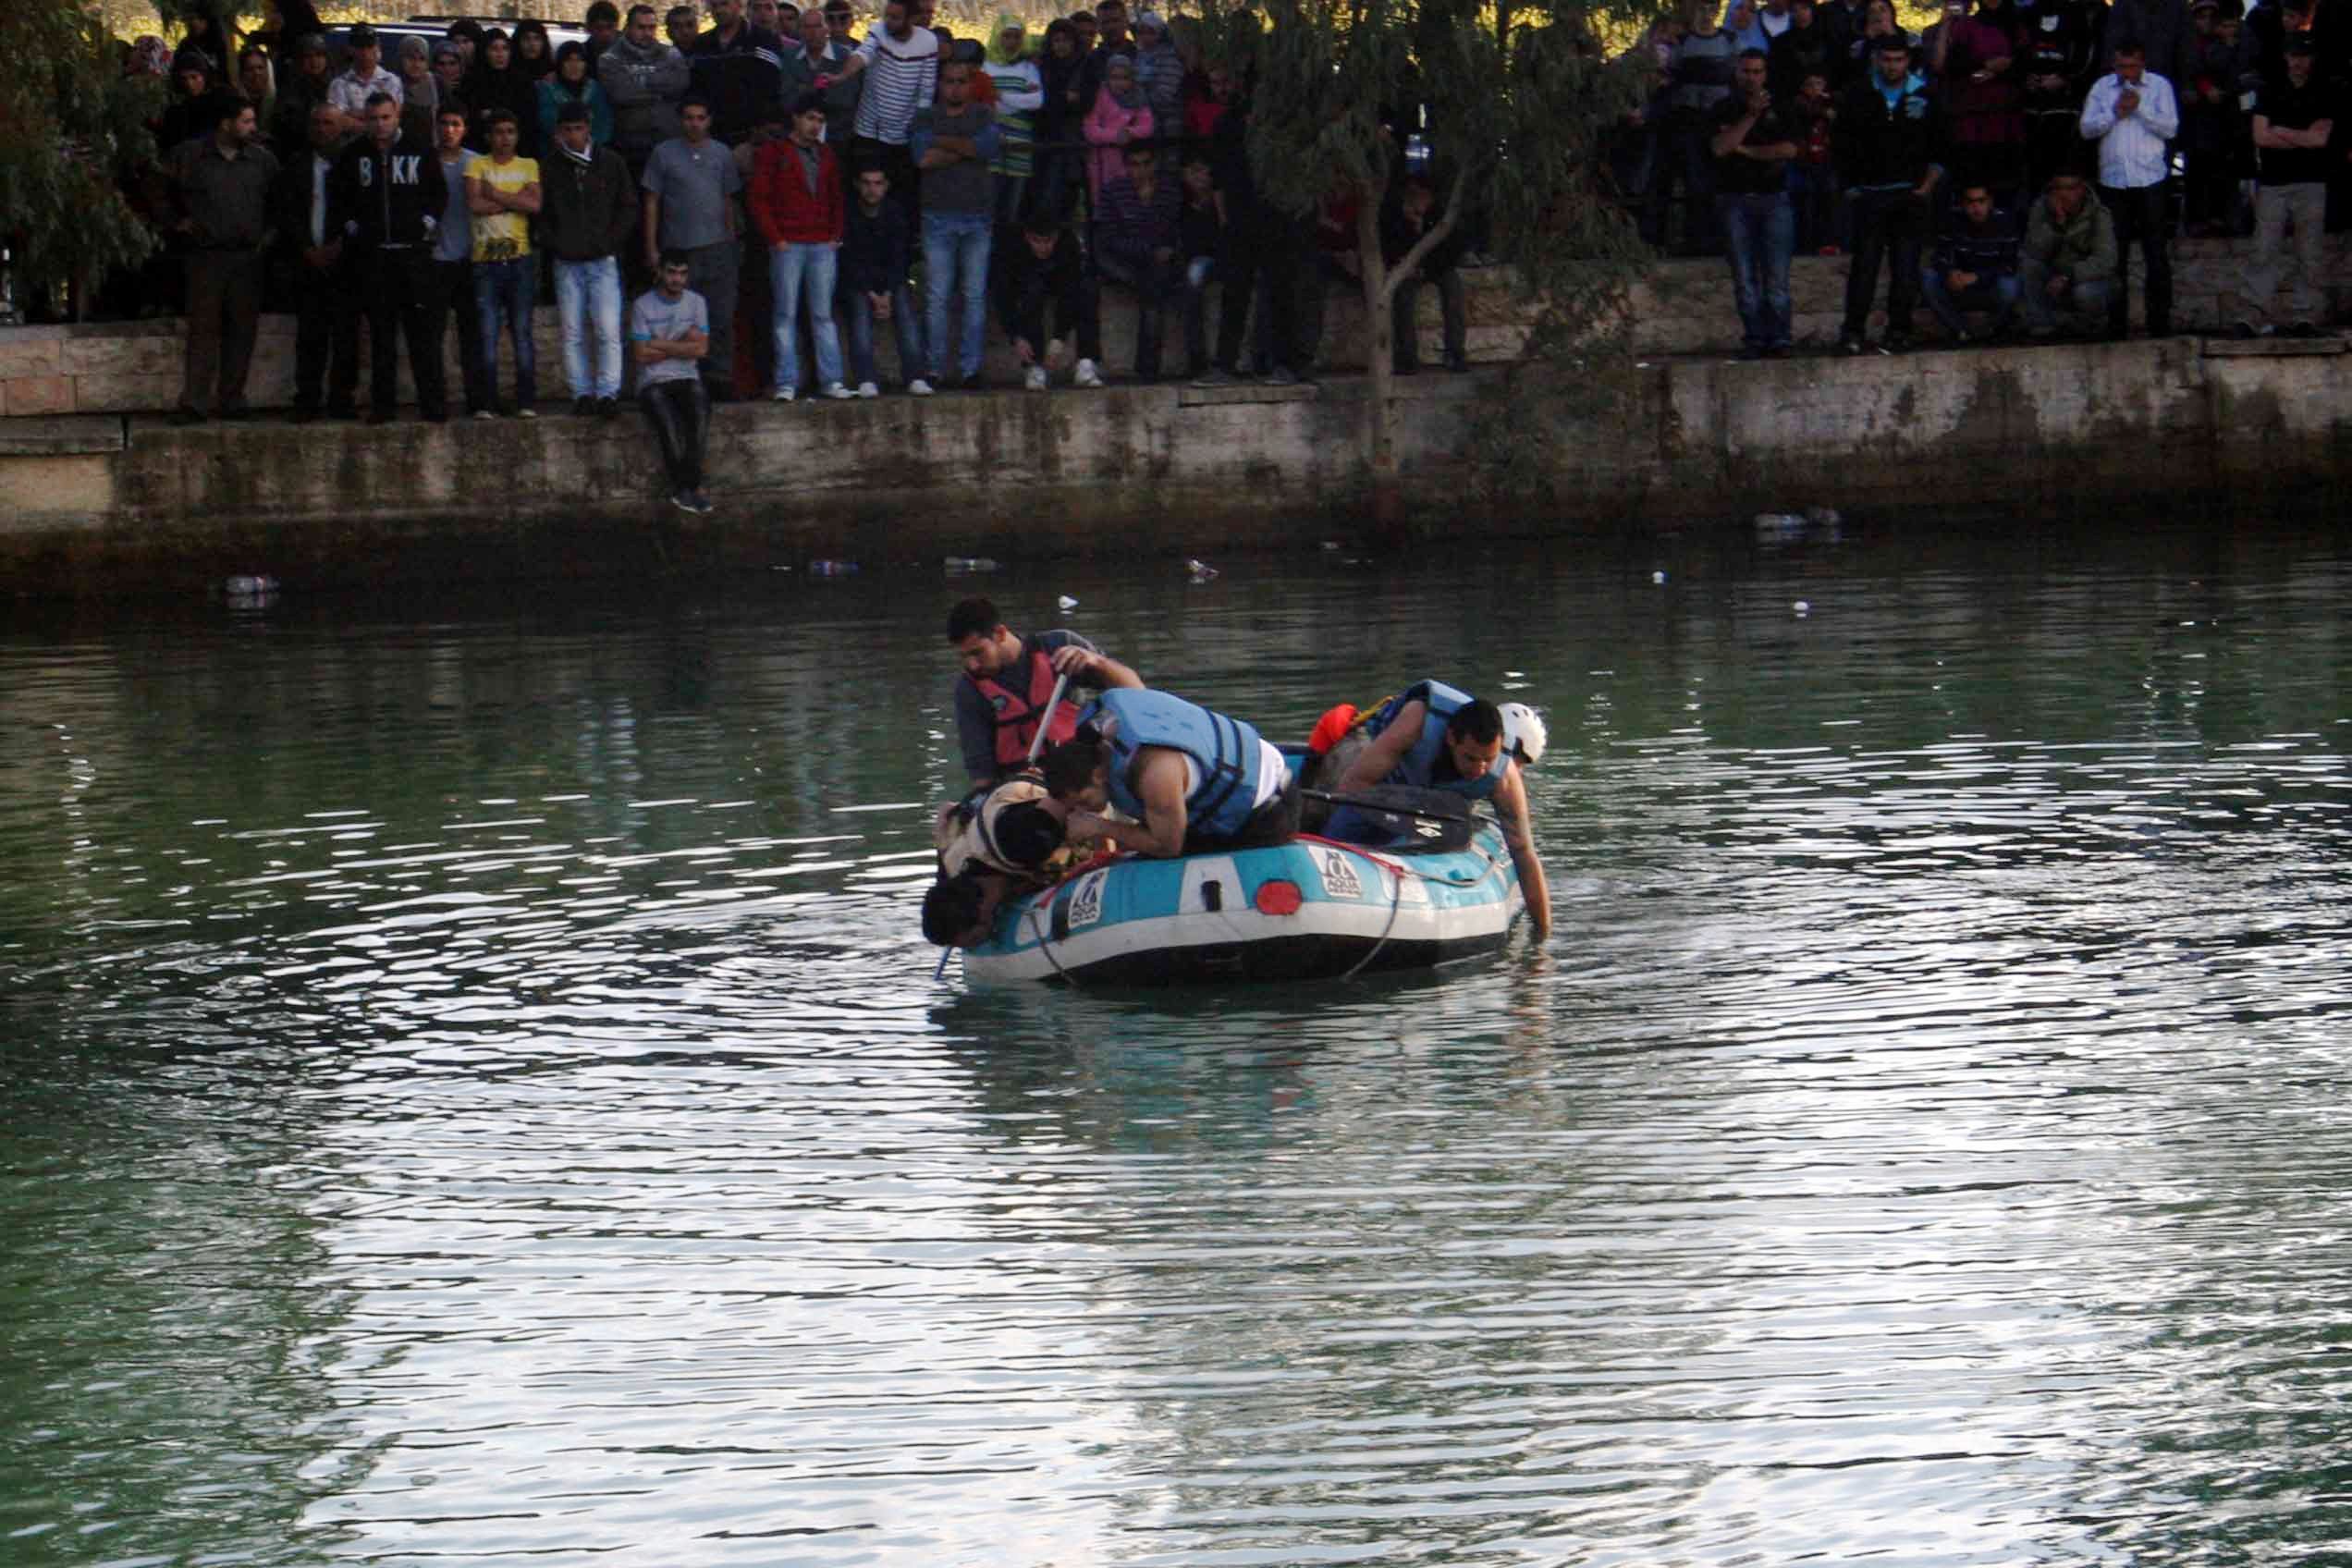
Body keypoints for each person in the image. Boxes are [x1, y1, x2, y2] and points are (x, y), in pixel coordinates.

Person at [1312, 681, 1552, 938]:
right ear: (1451, 739)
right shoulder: (1417, 721)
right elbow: (1354, 786)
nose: (1479, 770)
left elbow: (1523, 852)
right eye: (1470, 758)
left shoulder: (1504, 776)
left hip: (1420, 798)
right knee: (1347, 804)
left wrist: (1542, 937)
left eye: (1488, 760)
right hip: (1374, 767)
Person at [1041, 688, 1300, 858]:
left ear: (1098, 775)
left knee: (1154, 862)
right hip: (1240, 769)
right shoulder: (1099, 727)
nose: (1088, 809)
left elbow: (1168, 847)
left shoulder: (1154, 773)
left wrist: (1099, 827)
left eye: (1085, 801)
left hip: (1264, 807)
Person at [332, 92, 449, 423]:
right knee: (381, 336)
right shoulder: (354, 155)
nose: (380, 125)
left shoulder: (420, 150)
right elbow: (341, 197)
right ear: (365, 120)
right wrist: (354, 228)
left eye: (385, 117)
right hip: (374, 259)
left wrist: (426, 224)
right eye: (373, 118)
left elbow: (438, 193)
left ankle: (433, 405)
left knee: (422, 336)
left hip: (413, 257)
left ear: (396, 115)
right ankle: (383, 407)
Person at [165, 99, 279, 426]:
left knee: (242, 330)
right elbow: (156, 187)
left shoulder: (262, 161)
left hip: (247, 257)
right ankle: (195, 402)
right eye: (245, 121)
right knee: (202, 329)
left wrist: (267, 238)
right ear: (225, 124)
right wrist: (176, 221)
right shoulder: (190, 156)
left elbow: (280, 202)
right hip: (205, 256)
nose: (252, 128)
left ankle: (233, 398)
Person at [947, 596, 1141, 785]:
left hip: (1084, 781)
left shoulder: (1060, 645)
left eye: (977, 652)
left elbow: (1137, 692)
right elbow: (982, 777)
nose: (972, 665)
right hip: (1022, 792)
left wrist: (1098, 662)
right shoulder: (969, 691)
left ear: (1000, 633)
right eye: (964, 657)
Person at [1833, 33, 1940, 354]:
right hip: (1869, 195)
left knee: (1906, 269)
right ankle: (1852, 332)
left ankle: (1899, 331)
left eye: (1898, 59)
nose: (1892, 66)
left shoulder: (1925, 93)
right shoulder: (1857, 94)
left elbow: (1940, 142)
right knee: (1863, 269)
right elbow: (1841, 143)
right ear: (1876, 60)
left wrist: (1926, 186)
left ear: (1908, 61)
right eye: (1886, 59)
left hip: (1910, 196)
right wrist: (1851, 186)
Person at [752, 91, 853, 401]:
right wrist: (776, 237)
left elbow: (837, 196)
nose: (814, 125)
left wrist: (836, 234)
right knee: (786, 314)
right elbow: (759, 198)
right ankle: (786, 382)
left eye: (820, 120)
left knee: (822, 315)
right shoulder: (775, 151)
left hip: (821, 243)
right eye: (810, 118)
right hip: (788, 244)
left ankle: (831, 380)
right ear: (796, 118)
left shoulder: (826, 154)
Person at [643, 93, 745, 400]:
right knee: (679, 321)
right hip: (679, 251)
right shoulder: (663, 153)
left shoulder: (722, 154)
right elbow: (651, 202)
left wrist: (731, 242)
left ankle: (720, 379)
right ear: (680, 120)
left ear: (710, 121)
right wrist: (651, 248)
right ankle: (682, 382)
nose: (695, 124)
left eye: (701, 118)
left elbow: (728, 200)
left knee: (720, 317)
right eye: (689, 117)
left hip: (718, 248)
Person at [542, 99, 639, 415]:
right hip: (567, 260)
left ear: (589, 129)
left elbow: (628, 206)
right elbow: (542, 214)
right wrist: (556, 243)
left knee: (608, 330)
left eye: (578, 129)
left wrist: (610, 242)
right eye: (567, 130)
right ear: (559, 131)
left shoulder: (611, 162)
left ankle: (608, 393)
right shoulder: (550, 166)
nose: (573, 136)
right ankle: (581, 393)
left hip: (602, 259)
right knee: (572, 332)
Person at [2079, 38, 2179, 337]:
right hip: (2113, 182)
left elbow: (2170, 128)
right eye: (2122, 66)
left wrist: (2140, 110)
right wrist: (2115, 113)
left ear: (2142, 63)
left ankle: (2159, 323)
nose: (2127, 72)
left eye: (2133, 66)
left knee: (2156, 254)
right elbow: (2086, 129)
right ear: (2115, 65)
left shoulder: (2160, 86)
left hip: (2151, 180)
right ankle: (2116, 324)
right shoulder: (2101, 88)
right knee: (2115, 256)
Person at [2235, 36, 2334, 337]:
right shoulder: (2269, 90)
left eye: (2304, 56)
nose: (2299, 62)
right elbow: (2260, 137)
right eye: (2294, 55)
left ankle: (2306, 317)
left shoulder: (2323, 91)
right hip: (2274, 183)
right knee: (2263, 250)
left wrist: (2282, 131)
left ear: (2312, 59)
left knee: (2309, 252)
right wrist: (2300, 137)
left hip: (2312, 182)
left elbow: (2320, 140)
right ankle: (2252, 315)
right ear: (2286, 57)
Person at [911, 58, 1000, 391]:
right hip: (937, 215)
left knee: (974, 296)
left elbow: (988, 146)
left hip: (977, 215)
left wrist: (943, 142)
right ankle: (933, 368)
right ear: (939, 84)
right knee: (937, 296)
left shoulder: (982, 114)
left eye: (961, 81)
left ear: (970, 84)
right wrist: (967, 150)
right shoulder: (925, 116)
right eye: (949, 81)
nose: (955, 87)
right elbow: (922, 158)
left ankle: (970, 369)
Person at [1709, 46, 1798, 359]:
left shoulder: (1783, 108)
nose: (1752, 78)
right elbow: (1721, 148)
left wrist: (1746, 151)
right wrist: (1750, 117)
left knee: (1776, 279)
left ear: (1766, 74)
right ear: (1737, 73)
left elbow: (1788, 150)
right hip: (1734, 200)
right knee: (1745, 279)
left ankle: (1781, 337)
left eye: (1757, 72)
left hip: (1774, 200)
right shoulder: (1723, 108)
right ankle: (1755, 338)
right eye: (1746, 71)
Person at [273, 99, 359, 422]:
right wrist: (306, 248)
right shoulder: (296, 165)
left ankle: (342, 399)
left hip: (345, 265)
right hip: (307, 263)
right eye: (318, 123)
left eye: (329, 124)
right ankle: (307, 399)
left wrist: (341, 244)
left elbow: (360, 210)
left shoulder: (353, 165)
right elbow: (287, 213)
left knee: (346, 336)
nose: (322, 130)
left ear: (341, 128)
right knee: (310, 336)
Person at [921, 771, 1073, 948]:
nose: (976, 947)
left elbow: (1068, 794)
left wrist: (1102, 828)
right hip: (983, 810)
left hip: (1026, 806)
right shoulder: (950, 875)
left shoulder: (1022, 844)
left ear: (983, 911)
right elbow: (945, 810)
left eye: (976, 939)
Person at [466, 108, 543, 418]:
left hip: (519, 260)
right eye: (499, 132)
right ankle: (486, 402)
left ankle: (526, 401)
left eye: (510, 132)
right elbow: (474, 204)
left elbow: (534, 204)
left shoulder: (529, 165)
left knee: (522, 332)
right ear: (488, 136)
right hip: (485, 262)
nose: (505, 138)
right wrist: (514, 201)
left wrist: (495, 194)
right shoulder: (476, 164)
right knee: (487, 334)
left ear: (518, 136)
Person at [837, 0, 942, 209]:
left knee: (897, 198)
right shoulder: (878, 31)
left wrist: (918, 129)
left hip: (902, 137)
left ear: (911, 19)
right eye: (888, 16)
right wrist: (843, 74)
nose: (889, 22)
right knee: (860, 194)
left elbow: (926, 89)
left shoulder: (928, 42)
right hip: (868, 132)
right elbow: (862, 54)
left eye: (896, 17)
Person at [632, 250, 716, 512]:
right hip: (652, 382)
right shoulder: (642, 306)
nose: (677, 279)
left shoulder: (697, 303)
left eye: (682, 274)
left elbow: (702, 350)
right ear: (660, 273)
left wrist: (659, 343)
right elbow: (641, 355)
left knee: (699, 419)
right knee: (668, 426)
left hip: (686, 376)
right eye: (671, 272)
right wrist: (683, 343)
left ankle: (687, 488)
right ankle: (689, 488)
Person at [424, 103, 493, 421]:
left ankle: (478, 401)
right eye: (444, 124)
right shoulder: (424, 162)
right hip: (435, 261)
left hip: (470, 260)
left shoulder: (477, 163)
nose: (449, 130)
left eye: (455, 124)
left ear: (464, 129)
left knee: (472, 336)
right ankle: (435, 403)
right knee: (432, 337)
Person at [1095, 141, 1181, 381]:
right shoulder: (1113, 191)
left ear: (1155, 164)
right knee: (1151, 282)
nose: (1141, 170)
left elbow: (1169, 233)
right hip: (1121, 260)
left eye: (1146, 164)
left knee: (1154, 281)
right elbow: (1110, 240)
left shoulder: (1168, 192)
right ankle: (1148, 368)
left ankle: (1147, 368)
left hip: (1156, 262)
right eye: (1134, 165)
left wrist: (1149, 205)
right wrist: (1147, 250)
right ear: (1126, 166)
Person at [841, 161, 925, 395]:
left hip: (890, 280)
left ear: (886, 186)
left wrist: (886, 293)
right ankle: (866, 378)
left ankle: (915, 376)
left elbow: (899, 257)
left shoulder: (895, 212)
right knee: (859, 313)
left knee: (906, 312)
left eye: (878, 183)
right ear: (858, 185)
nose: (872, 189)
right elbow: (848, 260)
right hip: (859, 281)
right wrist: (872, 294)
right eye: (867, 183)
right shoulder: (848, 213)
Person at [997, 215, 1104, 390]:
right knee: (1032, 292)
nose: (1043, 247)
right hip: (1028, 285)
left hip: (1060, 281)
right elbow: (1003, 295)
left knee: (1088, 289)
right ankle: (1034, 366)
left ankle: (1086, 361)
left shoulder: (1068, 244)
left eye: (1048, 241)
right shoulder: (1012, 248)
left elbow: (1072, 287)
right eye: (1036, 241)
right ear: (1026, 236)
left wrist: (1059, 338)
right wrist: (1015, 336)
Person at [2017, 165, 2118, 336]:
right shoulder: (2041, 209)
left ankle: (2091, 326)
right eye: (2058, 189)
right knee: (2029, 265)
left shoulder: (2099, 214)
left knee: (2085, 293)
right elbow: (2033, 251)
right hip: (2053, 276)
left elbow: (2106, 261)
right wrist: (2057, 224)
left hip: (2086, 279)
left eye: (2070, 189)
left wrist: (2069, 275)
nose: (2063, 195)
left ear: (2082, 190)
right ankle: (2043, 326)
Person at [1921, 179, 2022, 340]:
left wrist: (1977, 277)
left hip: (1991, 287)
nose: (1976, 208)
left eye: (1981, 201)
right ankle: (1961, 331)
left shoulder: (2005, 222)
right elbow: (1940, 256)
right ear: (1963, 204)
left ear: (1990, 202)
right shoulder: (1952, 220)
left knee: (2010, 285)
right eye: (1970, 202)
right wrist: (1950, 272)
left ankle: (1993, 330)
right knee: (1928, 278)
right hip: (1959, 287)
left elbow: (2010, 264)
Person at [602, 3, 692, 183]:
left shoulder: (671, 53)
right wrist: (659, 89)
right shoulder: (610, 57)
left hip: (668, 143)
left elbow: (681, 84)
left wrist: (639, 80)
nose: (647, 33)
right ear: (628, 28)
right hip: (630, 147)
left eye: (651, 27)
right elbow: (621, 94)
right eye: (641, 27)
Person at [690, 0, 790, 145]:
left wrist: (768, 124)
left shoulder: (763, 39)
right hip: (712, 135)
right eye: (714, 5)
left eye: (724, 4)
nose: (719, 10)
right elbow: (697, 88)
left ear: (739, 4)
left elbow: (774, 87)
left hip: (754, 135)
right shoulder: (701, 44)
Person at [981, 15, 1046, 225]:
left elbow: (1036, 101)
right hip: (992, 143)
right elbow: (984, 102)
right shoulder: (986, 67)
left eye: (1017, 37)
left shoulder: (1028, 68)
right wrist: (1018, 100)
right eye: (1007, 36)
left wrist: (1001, 96)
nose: (1011, 42)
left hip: (1020, 145)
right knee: (989, 206)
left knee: (1012, 210)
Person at [781, 5, 861, 148]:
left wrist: (804, 89)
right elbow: (787, 99)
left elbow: (846, 102)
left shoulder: (846, 58)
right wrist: (817, 90)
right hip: (797, 136)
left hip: (838, 137)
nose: (813, 32)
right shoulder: (789, 57)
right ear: (800, 31)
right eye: (807, 27)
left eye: (818, 26)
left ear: (827, 28)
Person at [1080, 53, 1152, 205]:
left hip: (1129, 163)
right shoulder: (1100, 94)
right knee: (1105, 207)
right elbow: (1090, 129)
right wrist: (1115, 136)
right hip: (1102, 162)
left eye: (1124, 78)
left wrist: (1131, 132)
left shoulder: (1138, 95)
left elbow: (1148, 125)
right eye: (1114, 77)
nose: (1119, 83)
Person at [462, 28, 543, 157]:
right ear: (484, 52)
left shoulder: (522, 82)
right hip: (479, 153)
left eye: (505, 48)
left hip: (518, 153)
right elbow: (468, 117)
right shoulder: (472, 82)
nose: (500, 54)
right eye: (494, 49)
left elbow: (529, 119)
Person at [326, 25, 401, 138]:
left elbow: (392, 120)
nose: (365, 52)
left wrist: (352, 113)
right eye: (360, 47)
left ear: (378, 48)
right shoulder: (338, 84)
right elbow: (339, 121)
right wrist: (375, 122)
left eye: (370, 46)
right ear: (351, 50)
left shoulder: (392, 81)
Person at [540, 42, 616, 149]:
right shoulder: (546, 88)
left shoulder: (595, 89)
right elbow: (548, 121)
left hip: (592, 152)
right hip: (554, 150)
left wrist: (588, 146)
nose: (574, 65)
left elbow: (604, 123)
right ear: (560, 63)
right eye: (568, 60)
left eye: (580, 60)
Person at [585, 0, 624, 71]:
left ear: (617, 26)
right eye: (599, 28)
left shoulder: (631, 52)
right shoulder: (581, 56)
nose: (605, 33)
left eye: (610, 27)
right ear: (589, 29)